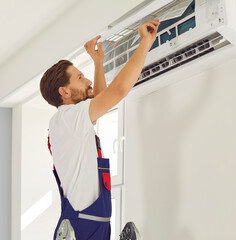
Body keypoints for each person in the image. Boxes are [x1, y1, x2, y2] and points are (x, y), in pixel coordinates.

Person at [40, 19, 160, 240]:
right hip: (83, 224)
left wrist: (98, 62)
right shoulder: (67, 118)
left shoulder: (72, 122)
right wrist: (145, 42)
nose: (87, 82)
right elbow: (118, 91)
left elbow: (103, 100)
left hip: (92, 224)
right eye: (79, 77)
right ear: (64, 92)